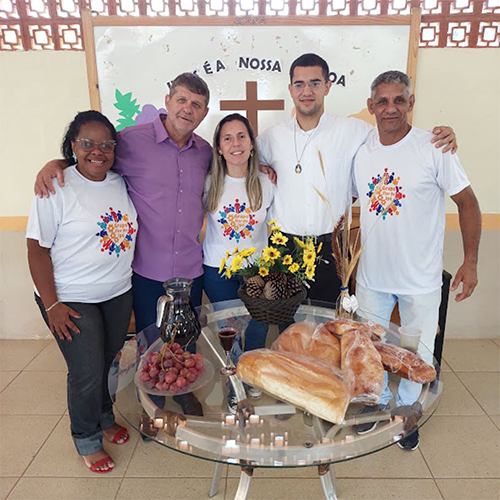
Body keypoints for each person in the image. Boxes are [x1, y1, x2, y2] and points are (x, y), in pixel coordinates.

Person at [34, 73, 213, 416]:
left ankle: (184, 391)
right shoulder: (131, 140)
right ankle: (152, 403)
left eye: (196, 104)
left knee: (187, 336)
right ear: (168, 101)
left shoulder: (204, 151)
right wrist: (56, 163)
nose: (187, 109)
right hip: (145, 269)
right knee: (150, 341)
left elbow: (236, 167)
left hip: (190, 267)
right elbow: (92, 159)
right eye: (181, 100)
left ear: (204, 112)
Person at [257, 53, 458, 305]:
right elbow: (242, 167)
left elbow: (395, 139)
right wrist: (259, 167)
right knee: (286, 322)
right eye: (299, 84)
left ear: (327, 86)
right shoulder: (270, 138)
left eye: (315, 83)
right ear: (290, 89)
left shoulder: (354, 131)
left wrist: (438, 137)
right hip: (284, 247)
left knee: (329, 322)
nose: (307, 91)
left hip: (332, 248)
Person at [351, 70, 481, 450]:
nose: (391, 108)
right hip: (372, 277)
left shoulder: (434, 147)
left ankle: (407, 414)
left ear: (411, 102)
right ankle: (376, 405)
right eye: (383, 101)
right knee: (371, 350)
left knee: (415, 356)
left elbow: (467, 202)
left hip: (420, 279)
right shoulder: (362, 151)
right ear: (371, 105)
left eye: (399, 100)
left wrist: (471, 261)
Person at [26, 111, 138, 473]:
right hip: (69, 296)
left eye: (106, 144)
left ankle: (104, 417)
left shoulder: (120, 182)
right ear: (73, 146)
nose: (97, 151)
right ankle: (87, 438)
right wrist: (52, 305)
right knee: (86, 370)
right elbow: (36, 249)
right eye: (87, 143)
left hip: (116, 291)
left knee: (108, 362)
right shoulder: (56, 186)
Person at [202, 113, 274, 412]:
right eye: (227, 138)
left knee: (257, 328)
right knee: (230, 331)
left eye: (241, 136)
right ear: (219, 147)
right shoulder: (208, 183)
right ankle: (235, 384)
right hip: (218, 270)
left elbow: (276, 227)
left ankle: (252, 375)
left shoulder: (267, 182)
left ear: (252, 143)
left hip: (257, 270)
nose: (235, 144)